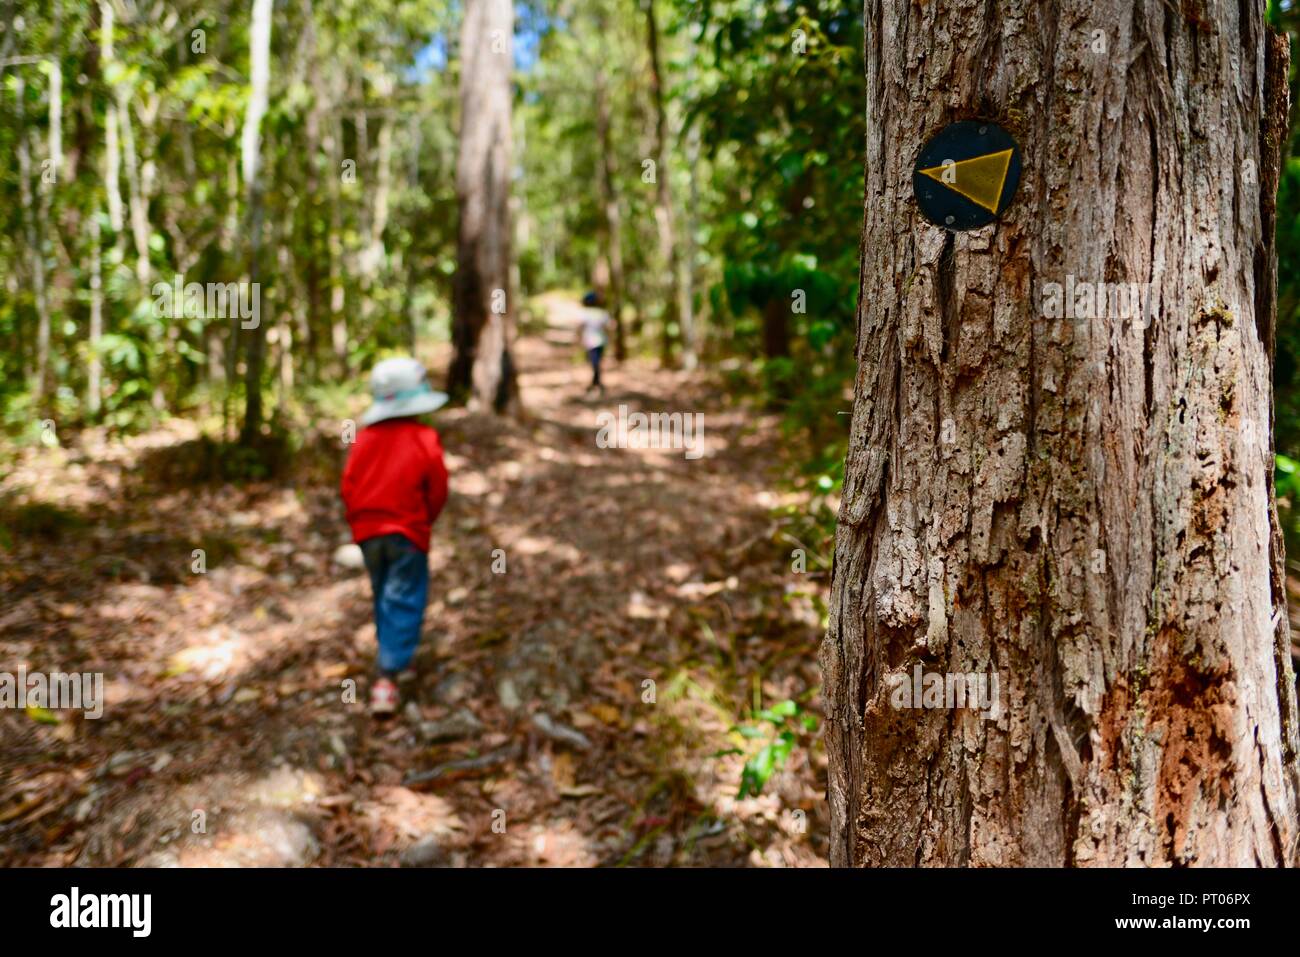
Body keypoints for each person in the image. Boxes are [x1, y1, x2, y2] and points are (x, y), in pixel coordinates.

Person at [340, 357, 450, 717]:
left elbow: (350, 486)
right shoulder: (423, 438)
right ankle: (387, 676)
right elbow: (437, 487)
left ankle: (396, 656)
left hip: (369, 534)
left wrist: (360, 523)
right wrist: (424, 521)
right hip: (407, 534)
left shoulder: (365, 439)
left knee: (384, 591)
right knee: (404, 596)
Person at [578, 291, 610, 395]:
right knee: (596, 362)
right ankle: (597, 383)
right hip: (600, 341)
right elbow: (608, 327)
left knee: (595, 363)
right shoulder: (602, 313)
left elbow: (580, 327)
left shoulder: (585, 313)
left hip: (590, 342)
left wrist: (577, 339)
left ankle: (596, 383)